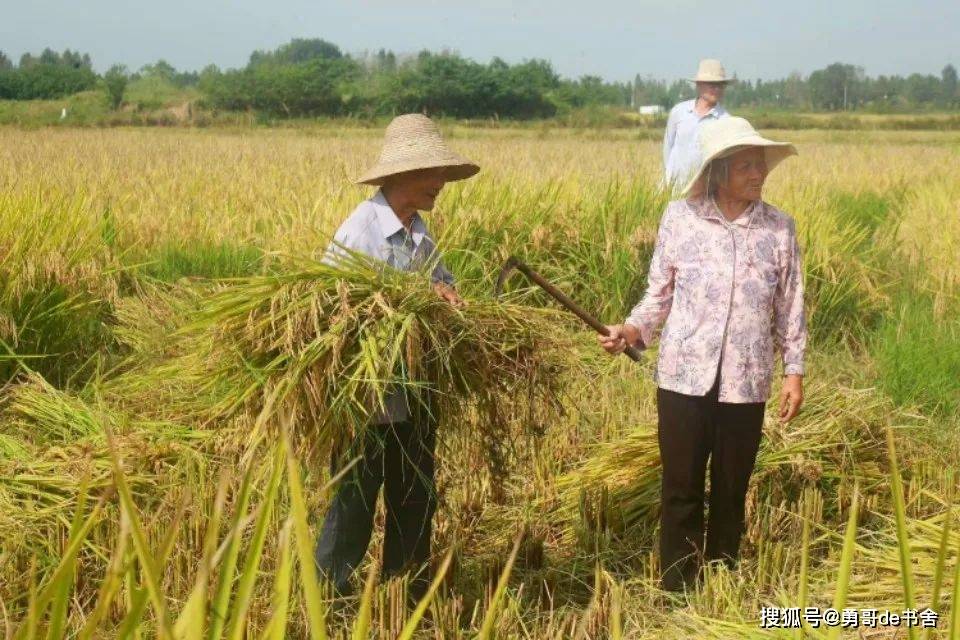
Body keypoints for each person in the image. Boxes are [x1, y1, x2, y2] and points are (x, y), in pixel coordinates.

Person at [600, 116, 807, 593]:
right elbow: (658, 294)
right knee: (681, 488)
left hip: (747, 379)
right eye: (746, 166)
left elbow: (790, 304)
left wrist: (793, 372)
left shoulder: (779, 228)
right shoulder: (681, 218)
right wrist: (629, 330)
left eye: (761, 165)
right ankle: (678, 587)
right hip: (683, 378)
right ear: (717, 171)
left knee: (732, 489)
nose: (758, 174)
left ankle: (719, 580)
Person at [315, 113, 479, 600]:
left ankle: (404, 595)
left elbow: (439, 284)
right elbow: (331, 310)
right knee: (353, 503)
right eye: (434, 175)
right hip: (367, 396)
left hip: (415, 392)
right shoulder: (360, 231)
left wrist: (447, 296)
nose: (441, 185)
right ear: (404, 175)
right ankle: (328, 600)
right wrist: (416, 297)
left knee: (415, 497)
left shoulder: (419, 232)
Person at [662, 59, 733, 192]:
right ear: (699, 85)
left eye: (721, 85)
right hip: (671, 189)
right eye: (712, 85)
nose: (717, 89)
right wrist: (667, 179)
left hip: (703, 193)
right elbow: (668, 147)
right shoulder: (679, 112)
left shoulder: (726, 120)